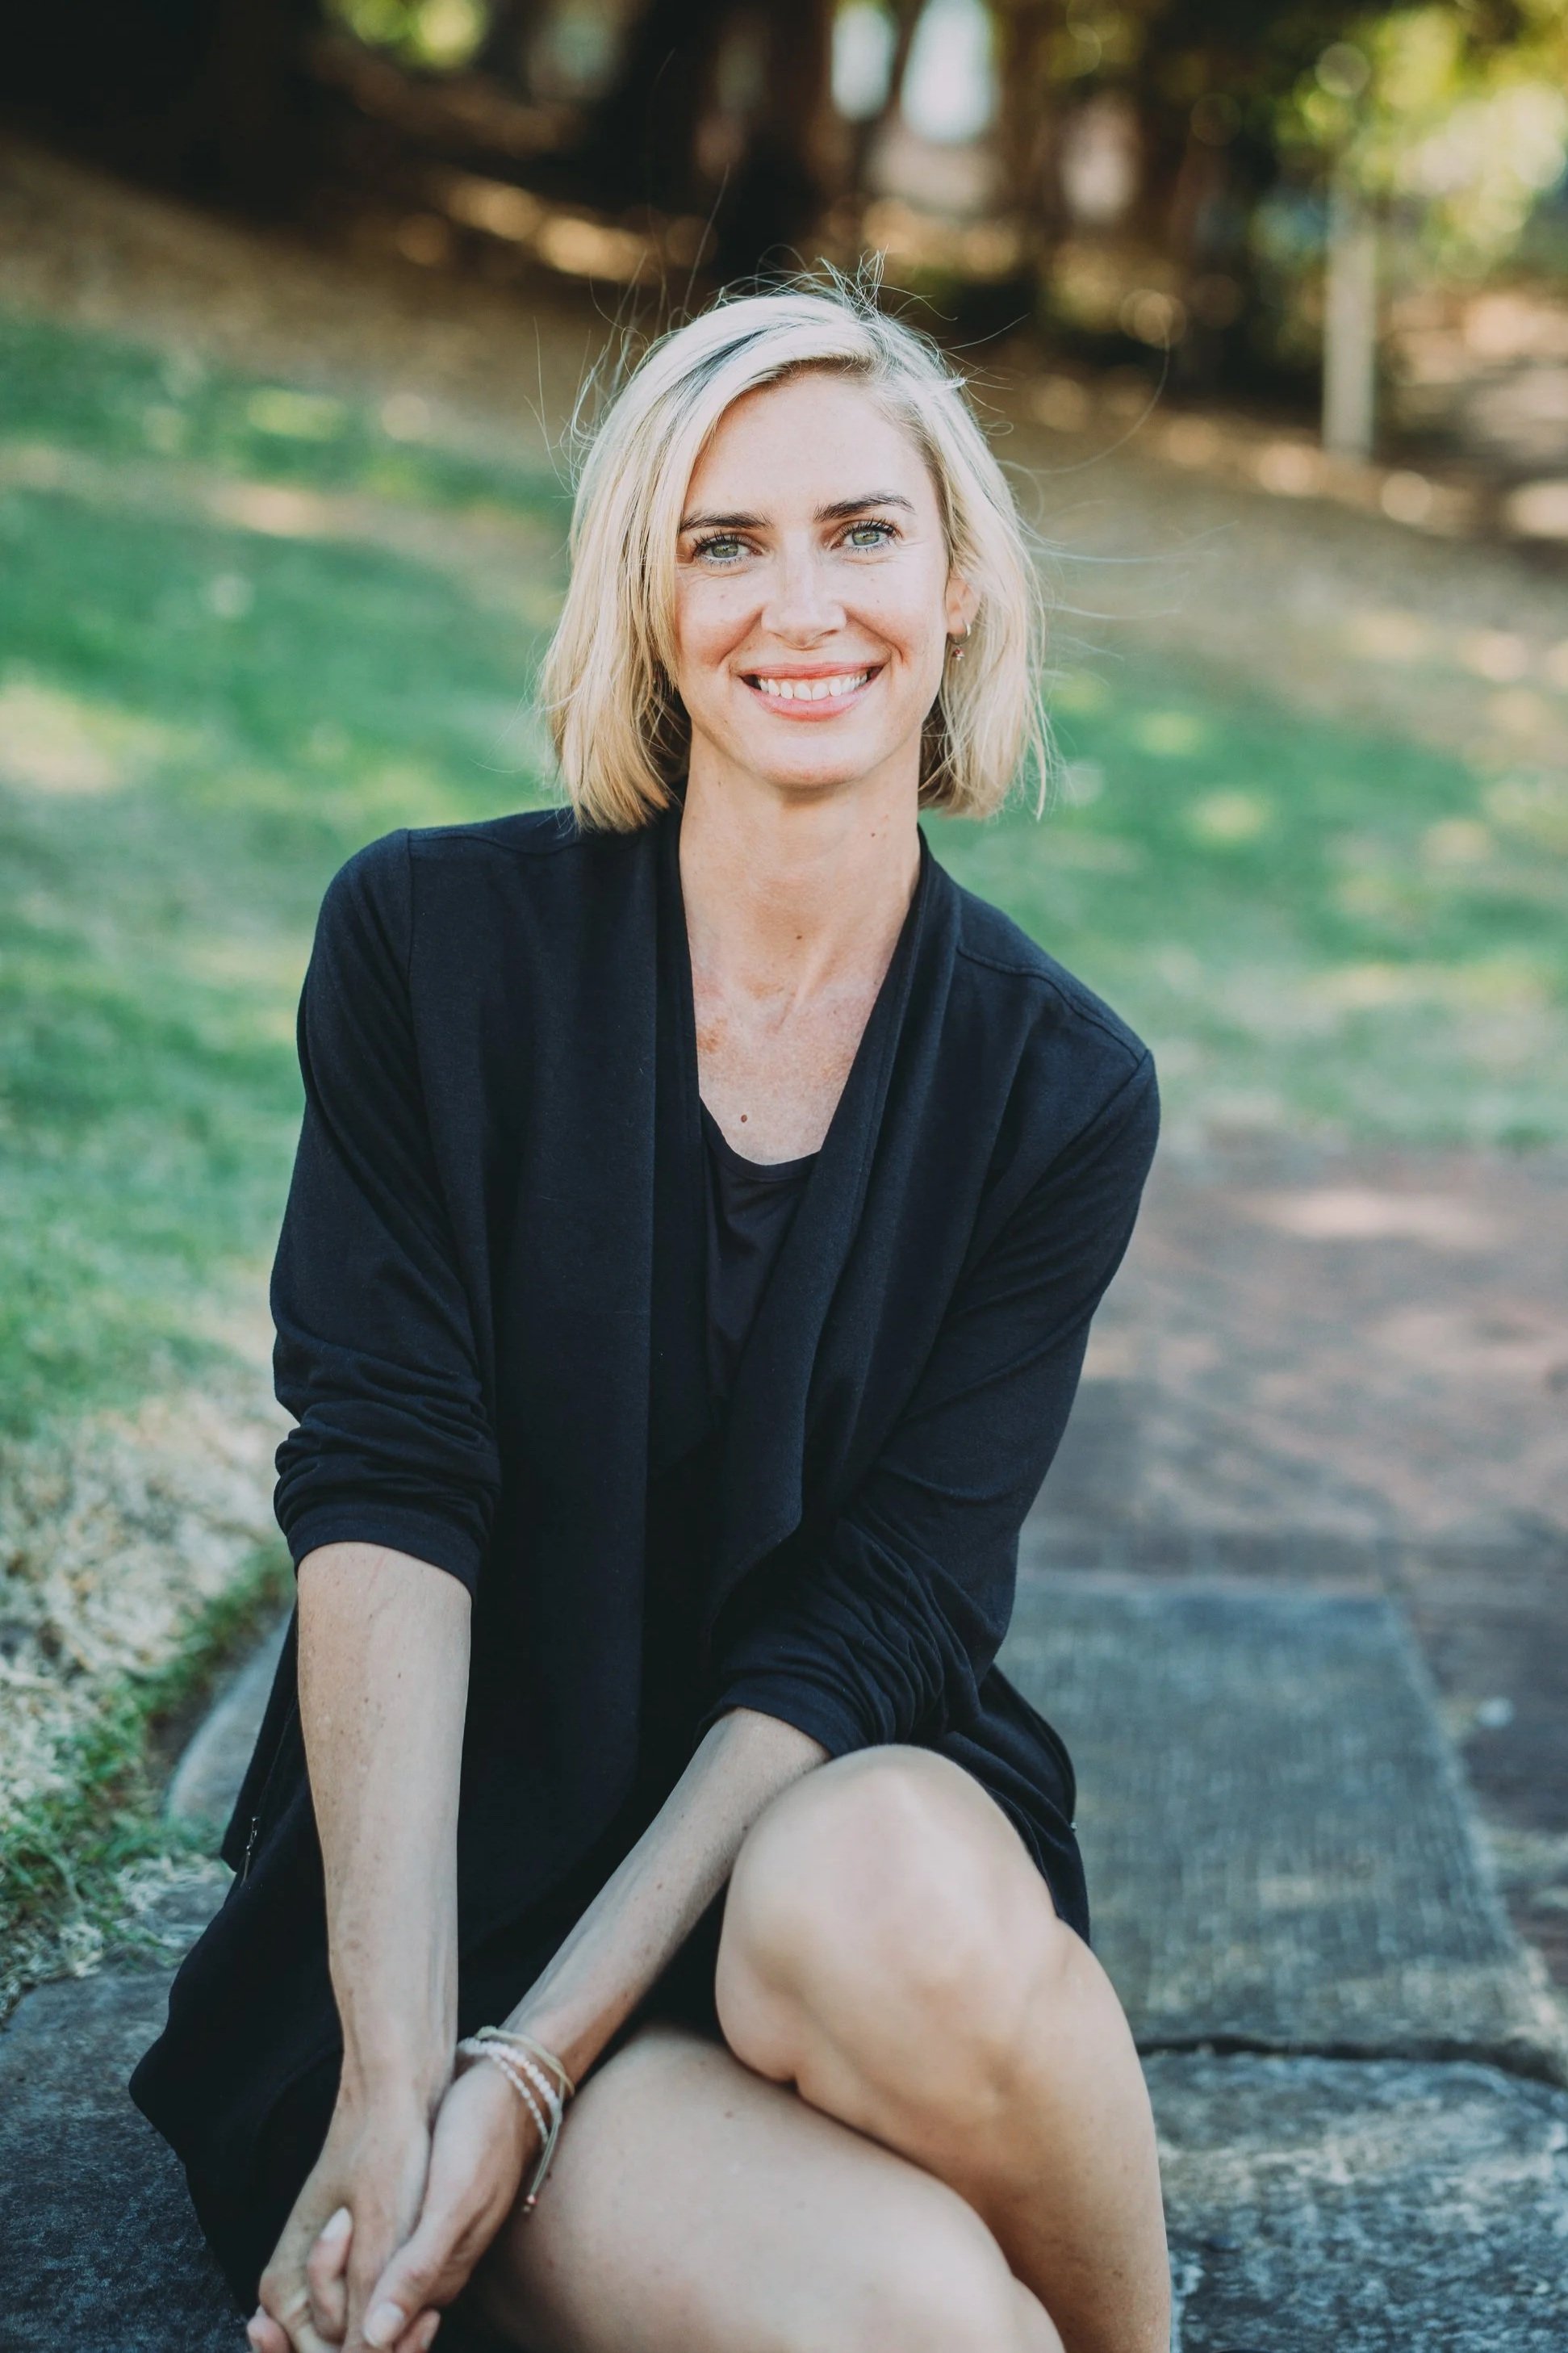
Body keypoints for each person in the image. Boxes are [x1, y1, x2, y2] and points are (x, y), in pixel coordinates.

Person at [132, 279, 1169, 2353]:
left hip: (820, 1838)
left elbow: (878, 1616)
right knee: (933, 2330)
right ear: (651, 599)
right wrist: (410, 2069)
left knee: (880, 1896)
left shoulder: (1064, 1088)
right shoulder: (428, 946)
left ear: (958, 586)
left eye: (865, 531)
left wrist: (539, 2081)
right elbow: (389, 1497)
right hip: (468, 1886)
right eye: (726, 540)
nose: (804, 605)